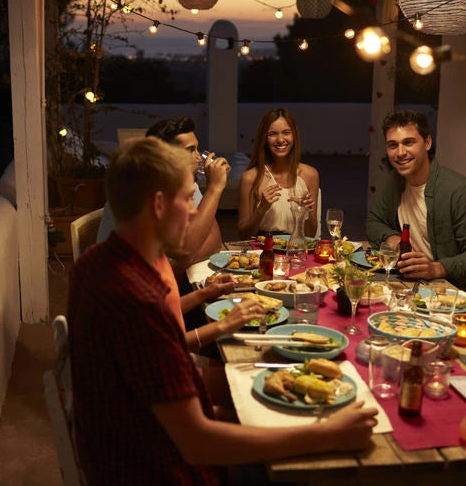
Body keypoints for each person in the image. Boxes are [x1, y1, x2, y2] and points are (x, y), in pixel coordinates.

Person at [69, 137, 379, 484]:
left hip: (125, 436)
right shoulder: (138, 300)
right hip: (153, 466)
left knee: (269, 395)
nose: (193, 210)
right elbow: (198, 444)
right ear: (158, 205)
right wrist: (326, 436)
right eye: (188, 198)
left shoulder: (96, 262)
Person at [366, 109, 466, 297]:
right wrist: (393, 239)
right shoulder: (396, 180)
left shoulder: (460, 192)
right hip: (408, 287)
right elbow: (374, 221)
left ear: (427, 143)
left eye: (408, 142)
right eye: (393, 145)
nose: (400, 153)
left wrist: (437, 268)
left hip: (452, 297)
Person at [96, 116, 228, 271]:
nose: (199, 158)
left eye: (197, 149)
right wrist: (214, 188)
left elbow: (214, 240)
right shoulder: (141, 192)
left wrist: (183, 261)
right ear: (165, 154)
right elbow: (185, 250)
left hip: (159, 277)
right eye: (190, 150)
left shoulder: (185, 183)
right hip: (121, 284)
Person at [237, 107, 319, 239]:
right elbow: (243, 235)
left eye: (286, 132)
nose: (280, 140)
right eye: (272, 134)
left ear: (294, 135)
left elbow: (311, 234)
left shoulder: (310, 175)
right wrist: (261, 209)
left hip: (296, 251)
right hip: (263, 252)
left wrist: (306, 212)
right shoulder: (250, 178)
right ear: (264, 138)